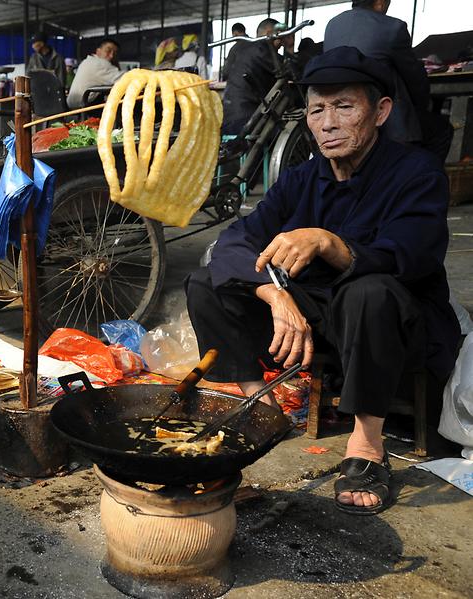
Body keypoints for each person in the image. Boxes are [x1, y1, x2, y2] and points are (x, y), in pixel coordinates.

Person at [185, 47, 460, 516]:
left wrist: (329, 243)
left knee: (369, 291)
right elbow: (235, 241)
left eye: (344, 107)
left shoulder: (417, 174)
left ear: (381, 112)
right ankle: (262, 408)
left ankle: (367, 446)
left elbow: (411, 256)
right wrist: (274, 295)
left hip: (394, 327)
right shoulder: (301, 177)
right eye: (317, 109)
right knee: (206, 281)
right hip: (317, 319)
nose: (328, 122)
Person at [324, 0, 451, 160]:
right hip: (386, 123)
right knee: (442, 130)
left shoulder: (333, 25)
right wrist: (421, 107)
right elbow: (414, 78)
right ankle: (421, 180)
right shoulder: (392, 27)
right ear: (379, 2)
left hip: (341, 113)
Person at [221, 18, 282, 135]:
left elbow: (226, 73)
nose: (281, 42)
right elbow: (288, 71)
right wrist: (290, 48)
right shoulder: (263, 50)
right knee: (279, 132)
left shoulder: (244, 47)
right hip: (245, 118)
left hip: (229, 115)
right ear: (270, 34)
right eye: (280, 37)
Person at [66, 38, 123, 109]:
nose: (111, 56)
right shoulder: (99, 64)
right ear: (98, 51)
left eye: (115, 53)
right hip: (84, 109)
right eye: (108, 51)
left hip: (73, 106)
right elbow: (124, 78)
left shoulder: (88, 61)